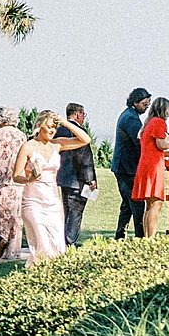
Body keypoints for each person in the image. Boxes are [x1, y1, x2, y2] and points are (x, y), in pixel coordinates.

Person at [16, 111, 90, 260]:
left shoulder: (57, 145)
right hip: (33, 201)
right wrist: (30, 178)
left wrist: (64, 122)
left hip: (52, 201)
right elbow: (16, 176)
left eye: (54, 128)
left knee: (57, 244)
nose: (52, 131)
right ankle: (37, 273)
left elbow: (85, 140)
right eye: (49, 127)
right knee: (42, 242)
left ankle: (49, 276)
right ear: (39, 125)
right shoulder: (28, 147)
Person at [0, 113, 28, 260]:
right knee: (15, 217)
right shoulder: (22, 136)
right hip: (16, 180)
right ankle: (13, 250)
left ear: (3, 119)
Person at [133, 96, 169, 236]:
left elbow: (154, 149)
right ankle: (151, 238)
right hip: (153, 168)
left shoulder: (149, 122)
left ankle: (147, 237)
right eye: (168, 110)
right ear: (163, 109)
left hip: (146, 165)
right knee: (156, 204)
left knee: (149, 205)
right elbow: (161, 145)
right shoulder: (159, 122)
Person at [112, 87, 150, 238]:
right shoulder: (131, 118)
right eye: (144, 104)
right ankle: (140, 235)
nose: (146, 107)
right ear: (135, 102)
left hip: (123, 167)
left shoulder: (129, 115)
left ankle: (120, 234)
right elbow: (140, 141)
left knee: (127, 204)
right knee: (136, 202)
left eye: (148, 104)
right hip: (127, 168)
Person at [59, 103, 97, 244]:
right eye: (83, 115)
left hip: (64, 178)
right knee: (75, 212)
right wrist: (90, 179)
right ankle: (69, 241)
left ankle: (65, 240)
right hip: (78, 179)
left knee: (67, 211)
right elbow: (84, 158)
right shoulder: (79, 132)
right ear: (78, 114)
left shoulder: (59, 131)